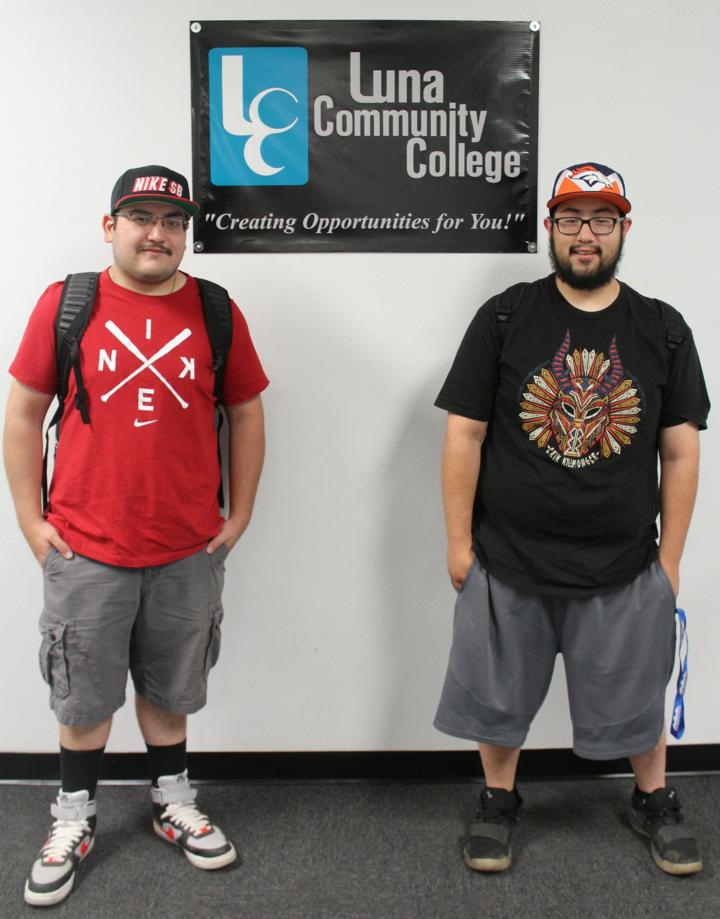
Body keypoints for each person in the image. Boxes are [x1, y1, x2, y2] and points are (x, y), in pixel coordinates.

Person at [433, 163, 710, 876]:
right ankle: (498, 800)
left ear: (623, 229)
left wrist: (669, 561)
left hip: (624, 565)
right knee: (498, 699)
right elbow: (465, 432)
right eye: (572, 219)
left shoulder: (662, 328)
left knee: (637, 697)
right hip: (509, 559)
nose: (586, 233)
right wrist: (459, 542)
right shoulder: (505, 316)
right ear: (550, 228)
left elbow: (681, 451)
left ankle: (652, 798)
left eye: (603, 219)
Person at [4, 165, 268, 907]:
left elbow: (246, 411)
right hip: (86, 544)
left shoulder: (215, 309)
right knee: (83, 694)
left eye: (173, 221)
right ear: (110, 226)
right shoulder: (68, 304)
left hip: (187, 546)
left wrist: (240, 513)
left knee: (170, 685)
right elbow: (22, 412)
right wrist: (30, 521)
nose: (158, 233)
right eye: (142, 217)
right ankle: (74, 816)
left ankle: (171, 800)